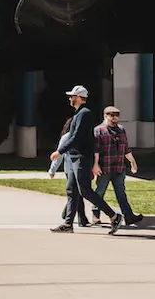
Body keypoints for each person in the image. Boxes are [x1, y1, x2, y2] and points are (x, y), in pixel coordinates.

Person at [50, 85, 119, 233]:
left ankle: (114, 216)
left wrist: (60, 151)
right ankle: (68, 224)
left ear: (80, 98)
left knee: (85, 191)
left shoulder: (84, 114)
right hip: (76, 157)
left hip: (82, 157)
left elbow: (76, 137)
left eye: (72, 96)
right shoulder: (79, 114)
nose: (70, 98)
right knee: (72, 190)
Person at [92, 106, 144, 227]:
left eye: (116, 116)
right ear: (105, 116)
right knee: (99, 192)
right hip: (104, 168)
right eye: (111, 115)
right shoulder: (98, 130)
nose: (114, 118)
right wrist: (95, 165)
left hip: (119, 167)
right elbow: (96, 150)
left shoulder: (121, 130)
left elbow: (125, 148)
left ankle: (129, 216)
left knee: (121, 193)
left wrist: (132, 161)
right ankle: (96, 215)